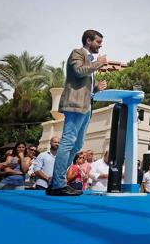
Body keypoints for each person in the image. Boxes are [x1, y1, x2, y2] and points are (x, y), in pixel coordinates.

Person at [48, 30, 108, 196]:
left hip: (85, 106)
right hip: (75, 106)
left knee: (77, 145)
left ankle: (55, 182)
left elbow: (82, 85)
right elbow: (79, 72)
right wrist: (99, 63)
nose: (100, 45)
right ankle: (58, 184)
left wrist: (95, 88)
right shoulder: (77, 53)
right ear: (88, 41)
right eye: (98, 41)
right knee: (68, 142)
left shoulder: (88, 59)